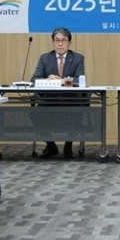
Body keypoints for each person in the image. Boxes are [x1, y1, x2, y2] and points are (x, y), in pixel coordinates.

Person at [31, 27, 85, 159]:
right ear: (53, 42)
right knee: (35, 114)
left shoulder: (77, 58)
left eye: (64, 40)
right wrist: (48, 80)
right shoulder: (45, 58)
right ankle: (51, 145)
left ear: (69, 43)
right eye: (57, 40)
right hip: (50, 100)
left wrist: (62, 81)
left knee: (77, 112)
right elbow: (34, 80)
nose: (60, 44)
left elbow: (79, 80)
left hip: (71, 100)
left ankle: (68, 146)